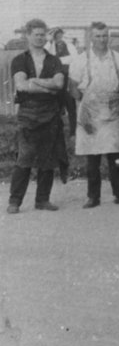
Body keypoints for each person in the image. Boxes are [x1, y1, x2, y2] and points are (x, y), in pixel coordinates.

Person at [69, 22, 119, 208]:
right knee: (92, 157)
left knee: (115, 155)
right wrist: (87, 104)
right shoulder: (82, 59)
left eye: (104, 35)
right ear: (91, 38)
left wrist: (112, 99)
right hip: (90, 112)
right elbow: (73, 87)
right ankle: (93, 197)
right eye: (98, 36)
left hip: (111, 111)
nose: (101, 39)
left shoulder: (116, 57)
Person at [7, 19, 73, 214]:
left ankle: (42, 200)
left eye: (43, 34)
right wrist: (47, 85)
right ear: (27, 36)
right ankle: (15, 201)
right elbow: (21, 85)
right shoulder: (20, 60)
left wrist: (34, 81)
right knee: (24, 158)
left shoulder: (54, 60)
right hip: (28, 114)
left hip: (51, 114)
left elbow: (59, 84)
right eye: (36, 34)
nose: (40, 38)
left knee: (48, 158)